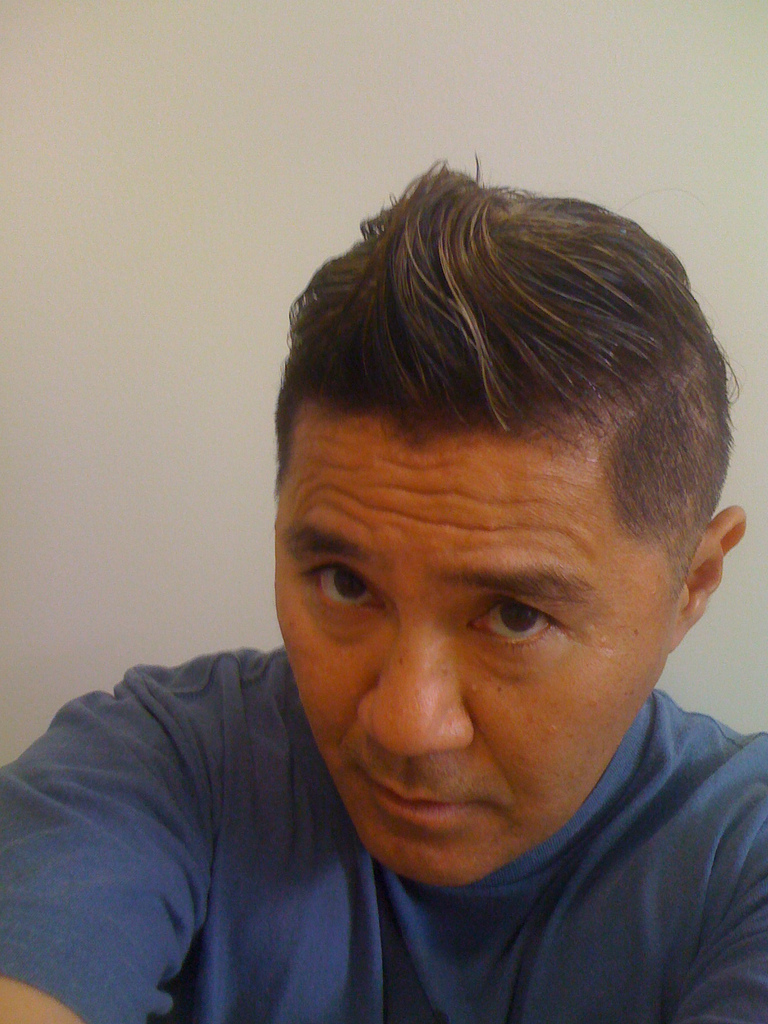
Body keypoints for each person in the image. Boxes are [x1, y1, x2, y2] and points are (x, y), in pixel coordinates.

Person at [0, 164, 762, 1024]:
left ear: (693, 585)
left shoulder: (745, 859)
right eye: (346, 584)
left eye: (516, 616)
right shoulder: (161, 768)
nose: (406, 724)